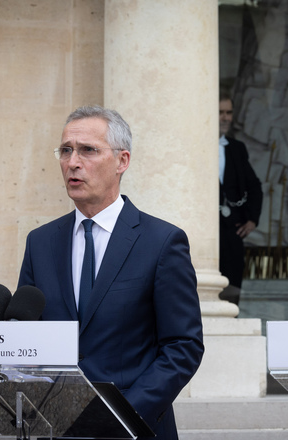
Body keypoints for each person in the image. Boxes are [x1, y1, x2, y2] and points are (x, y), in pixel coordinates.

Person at [18, 105, 204, 439]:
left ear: (122, 161)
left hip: (133, 427)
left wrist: (123, 414)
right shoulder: (40, 242)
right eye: (66, 150)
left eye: (88, 150)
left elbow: (183, 346)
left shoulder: (162, 242)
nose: (73, 162)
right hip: (55, 428)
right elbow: (28, 337)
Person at [218, 93, 262, 305]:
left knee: (232, 285)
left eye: (229, 113)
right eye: (220, 113)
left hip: (232, 230)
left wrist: (252, 219)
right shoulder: (193, 148)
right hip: (202, 233)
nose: (226, 118)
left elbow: (255, 187)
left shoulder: (237, 148)